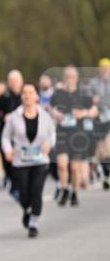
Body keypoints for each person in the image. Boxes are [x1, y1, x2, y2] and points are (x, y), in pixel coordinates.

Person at [1, 82, 56, 238]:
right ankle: (27, 208)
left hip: (40, 160)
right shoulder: (14, 117)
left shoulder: (45, 116)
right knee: (23, 193)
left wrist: (48, 144)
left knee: (36, 191)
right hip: (21, 160)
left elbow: (52, 134)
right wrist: (8, 150)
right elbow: (5, 137)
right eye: (25, 93)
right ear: (22, 96)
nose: (27, 95)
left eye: (31, 92)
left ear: (36, 96)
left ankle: (33, 223)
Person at [50, 65, 98, 207]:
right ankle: (64, 189)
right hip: (62, 134)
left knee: (75, 168)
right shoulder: (58, 94)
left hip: (78, 136)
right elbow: (50, 107)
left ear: (77, 78)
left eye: (72, 77)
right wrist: (55, 114)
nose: (69, 79)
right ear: (64, 78)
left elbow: (94, 110)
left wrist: (84, 114)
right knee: (62, 165)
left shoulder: (83, 94)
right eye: (67, 77)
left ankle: (74, 192)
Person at [0, 70, 24, 199]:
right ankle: (11, 179)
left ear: (21, 81)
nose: (14, 83)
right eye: (12, 81)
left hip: (22, 134)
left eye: (16, 80)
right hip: (6, 134)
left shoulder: (26, 95)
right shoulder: (4, 96)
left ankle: (18, 185)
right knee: (7, 159)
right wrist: (3, 117)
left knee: (20, 160)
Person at [86, 58, 110, 191]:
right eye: (103, 67)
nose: (105, 70)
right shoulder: (93, 83)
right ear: (99, 69)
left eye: (107, 67)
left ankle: (107, 173)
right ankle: (106, 174)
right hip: (98, 118)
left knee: (108, 145)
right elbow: (87, 97)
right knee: (101, 150)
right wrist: (92, 100)